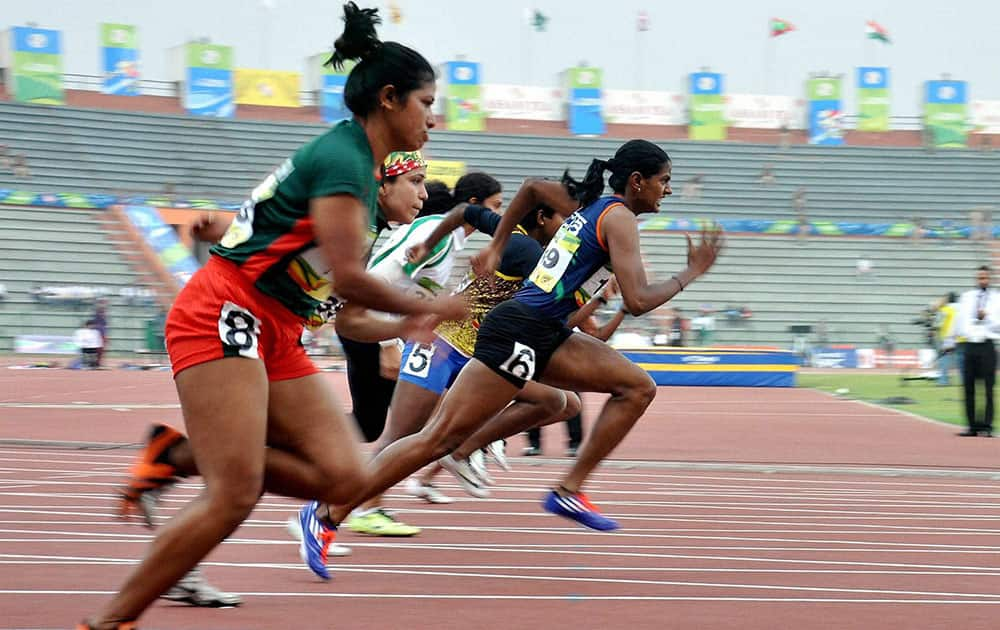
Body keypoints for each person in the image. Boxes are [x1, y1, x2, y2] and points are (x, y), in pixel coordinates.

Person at [79, 5, 467, 628]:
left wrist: (400, 324)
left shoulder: (359, 174)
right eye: (427, 101)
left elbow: (330, 290)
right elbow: (346, 276)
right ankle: (107, 622)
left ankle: (177, 457)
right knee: (234, 492)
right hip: (226, 311)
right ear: (390, 98)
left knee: (343, 479)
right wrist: (433, 306)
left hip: (275, 327)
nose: (433, 117)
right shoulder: (345, 162)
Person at [299, 138, 722, 580]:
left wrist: (503, 246)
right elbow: (637, 300)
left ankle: (567, 489)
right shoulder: (617, 217)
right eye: (664, 181)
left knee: (626, 389)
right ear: (637, 181)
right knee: (434, 439)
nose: (667, 191)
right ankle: (327, 513)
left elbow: (533, 190)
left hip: (544, 329)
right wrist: (690, 272)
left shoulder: (597, 211)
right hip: (518, 329)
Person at [331, 169, 501, 537]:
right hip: (366, 329)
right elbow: (376, 280)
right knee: (404, 428)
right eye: (495, 207)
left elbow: (411, 294)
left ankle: (310, 447)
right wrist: (389, 344)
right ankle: (359, 504)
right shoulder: (435, 236)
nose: (499, 218)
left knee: (373, 424)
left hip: (379, 330)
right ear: (473, 207)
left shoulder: (448, 241)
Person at [525, 279, 627, 457]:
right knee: (532, 400)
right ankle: (533, 443)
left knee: (571, 401)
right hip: (536, 357)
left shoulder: (574, 303)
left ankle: (575, 443)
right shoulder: (537, 293)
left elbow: (596, 335)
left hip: (563, 360)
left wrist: (622, 311)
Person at [955, 266, 1000, 437]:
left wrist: (987, 316)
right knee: (968, 388)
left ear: (990, 279)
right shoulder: (966, 297)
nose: (982, 281)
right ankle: (972, 426)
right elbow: (960, 320)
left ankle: (987, 427)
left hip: (987, 345)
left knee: (988, 389)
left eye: (985, 278)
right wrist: (952, 340)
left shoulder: (997, 298)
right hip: (969, 345)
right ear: (976, 279)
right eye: (980, 278)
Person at [936, 292, 959, 386]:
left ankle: (943, 381)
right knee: (960, 360)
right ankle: (963, 381)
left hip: (946, 337)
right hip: (958, 338)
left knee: (944, 360)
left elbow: (938, 324)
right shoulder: (959, 309)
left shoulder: (944, 309)